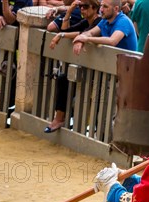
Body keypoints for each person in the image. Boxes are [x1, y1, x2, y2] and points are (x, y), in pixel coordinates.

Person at [44, 0, 101, 133]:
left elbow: (84, 33)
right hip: (89, 67)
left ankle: (86, 129)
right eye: (80, 7)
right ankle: (59, 119)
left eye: (85, 7)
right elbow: (67, 30)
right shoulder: (87, 21)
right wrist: (69, 12)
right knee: (63, 79)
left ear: (95, 8)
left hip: (100, 70)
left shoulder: (99, 22)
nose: (82, 10)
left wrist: (62, 35)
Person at [72, 0, 138, 53]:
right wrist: (80, 40)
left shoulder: (123, 21)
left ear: (116, 9)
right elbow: (90, 33)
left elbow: (112, 41)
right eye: (101, 6)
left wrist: (86, 39)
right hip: (113, 64)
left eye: (105, 7)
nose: (101, 10)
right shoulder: (105, 20)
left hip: (127, 66)